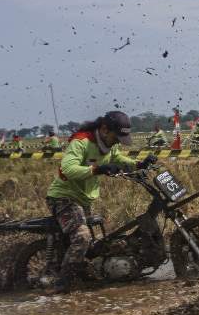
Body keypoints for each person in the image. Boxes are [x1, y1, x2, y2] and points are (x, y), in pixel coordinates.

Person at [43, 111, 154, 291]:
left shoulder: (109, 144)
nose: (118, 141)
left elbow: (118, 158)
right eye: (116, 137)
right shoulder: (81, 141)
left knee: (96, 244)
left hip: (83, 199)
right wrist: (97, 169)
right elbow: (68, 169)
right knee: (82, 237)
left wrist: (139, 164)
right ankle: (62, 284)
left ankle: (87, 275)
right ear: (104, 129)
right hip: (63, 197)